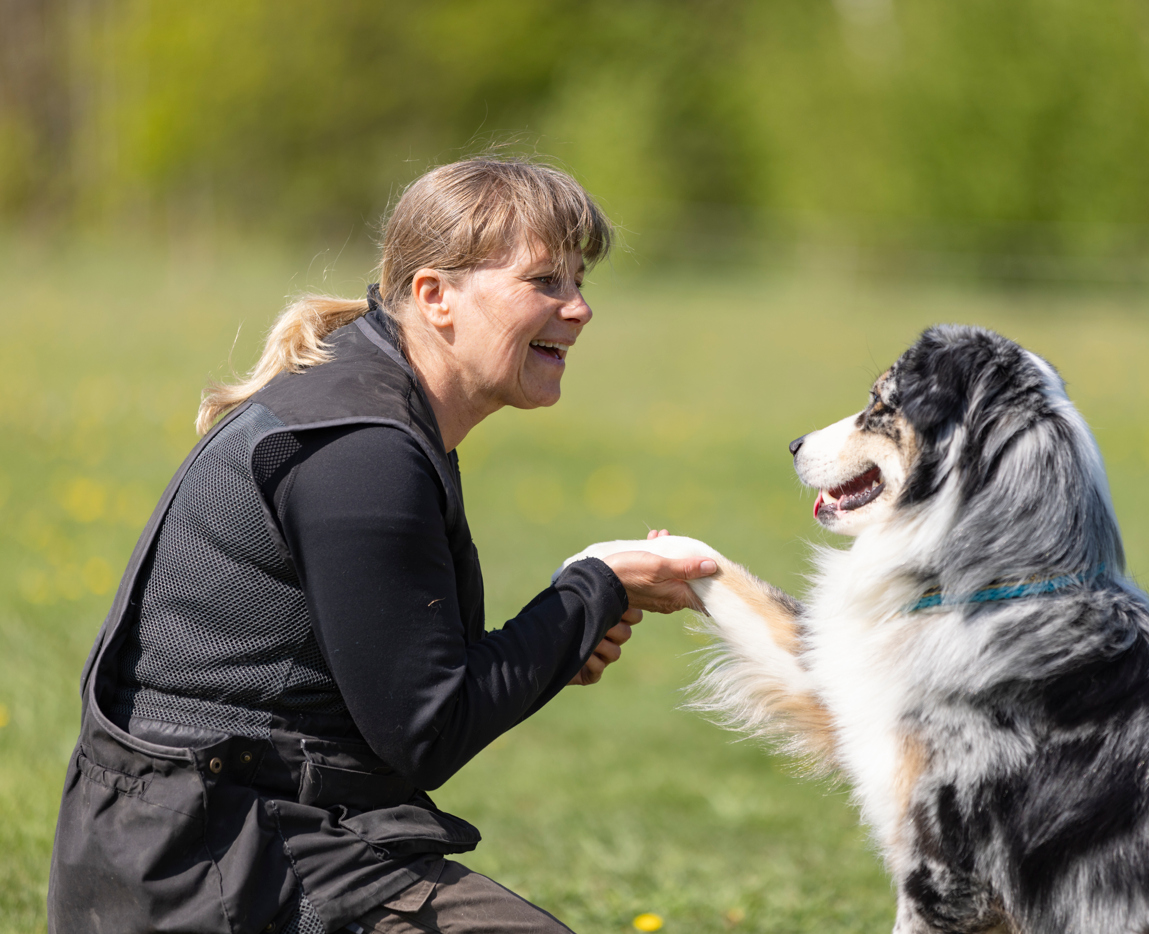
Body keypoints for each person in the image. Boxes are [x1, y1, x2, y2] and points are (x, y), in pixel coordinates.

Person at [47, 157, 717, 934]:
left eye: (580, 281)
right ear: (436, 296)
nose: (579, 309)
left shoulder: (376, 404)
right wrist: (592, 587)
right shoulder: (362, 451)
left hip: (231, 832)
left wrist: (567, 629)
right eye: (545, 282)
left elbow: (411, 687)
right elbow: (428, 728)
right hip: (207, 865)